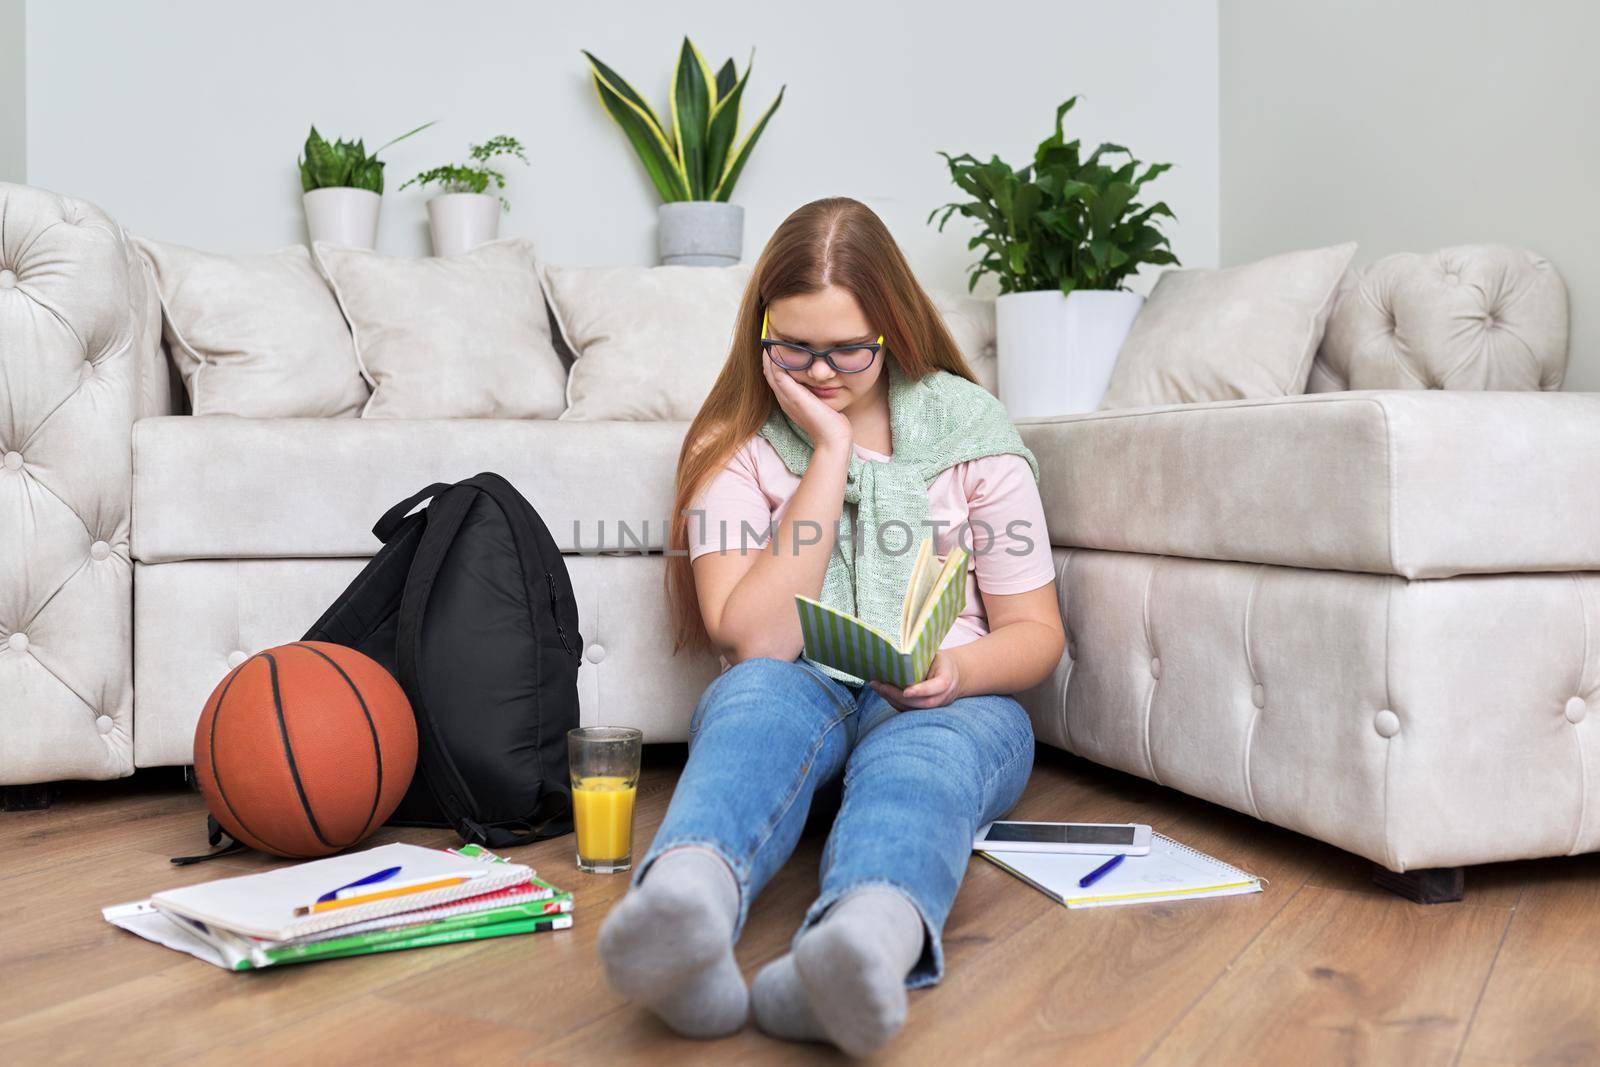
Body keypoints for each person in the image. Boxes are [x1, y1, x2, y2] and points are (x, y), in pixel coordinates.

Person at [596, 196, 1065, 1057]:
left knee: (926, 761)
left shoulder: (970, 432)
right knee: (753, 701)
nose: (818, 372)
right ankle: (687, 906)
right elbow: (755, 640)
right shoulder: (737, 443)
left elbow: (1037, 632)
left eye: (847, 350)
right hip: (801, 677)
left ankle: (862, 941)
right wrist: (830, 455)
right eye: (794, 348)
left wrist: (955, 672)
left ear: (893, 327)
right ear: (761, 333)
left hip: (949, 691)